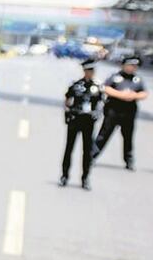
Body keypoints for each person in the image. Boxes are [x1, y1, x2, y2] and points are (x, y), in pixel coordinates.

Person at [92, 55, 147, 171]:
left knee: (128, 137)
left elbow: (144, 93)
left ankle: (129, 160)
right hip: (114, 110)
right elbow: (105, 88)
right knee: (104, 134)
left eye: (134, 66)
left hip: (129, 111)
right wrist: (121, 95)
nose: (132, 68)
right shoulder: (115, 77)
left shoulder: (137, 79)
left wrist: (134, 95)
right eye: (130, 65)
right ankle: (92, 156)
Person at [60, 59, 104, 190]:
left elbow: (101, 102)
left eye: (92, 70)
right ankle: (64, 175)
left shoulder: (97, 86)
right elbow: (68, 100)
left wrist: (97, 113)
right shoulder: (76, 85)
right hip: (76, 119)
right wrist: (67, 113)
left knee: (87, 151)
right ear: (84, 71)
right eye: (88, 70)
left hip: (88, 121)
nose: (91, 73)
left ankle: (85, 178)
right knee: (69, 149)